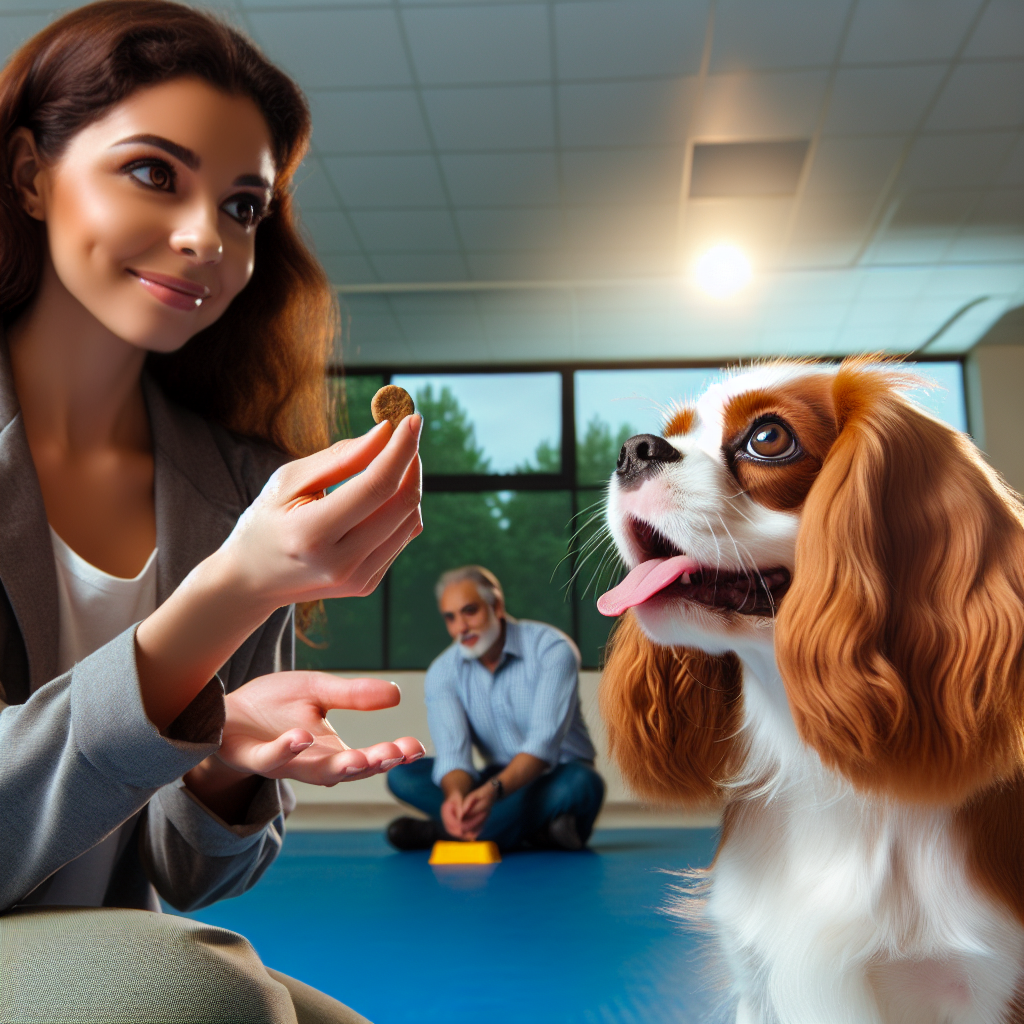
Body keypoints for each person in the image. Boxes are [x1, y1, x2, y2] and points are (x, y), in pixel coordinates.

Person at [0, 3, 425, 1022]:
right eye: (154, 171)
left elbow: (190, 879)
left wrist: (227, 766)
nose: (206, 238)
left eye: (243, 206)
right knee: (201, 992)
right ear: (30, 175)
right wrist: (226, 591)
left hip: (90, 945)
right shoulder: (249, 544)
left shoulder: (236, 484)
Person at [386, 566, 605, 852]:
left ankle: (442, 832)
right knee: (402, 776)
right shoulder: (443, 671)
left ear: (497, 606)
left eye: (470, 611)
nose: (461, 628)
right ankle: (533, 831)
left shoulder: (552, 649)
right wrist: (456, 798)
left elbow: (542, 746)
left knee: (582, 784)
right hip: (496, 778)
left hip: (554, 773)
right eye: (450, 618)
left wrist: (493, 792)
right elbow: (453, 757)